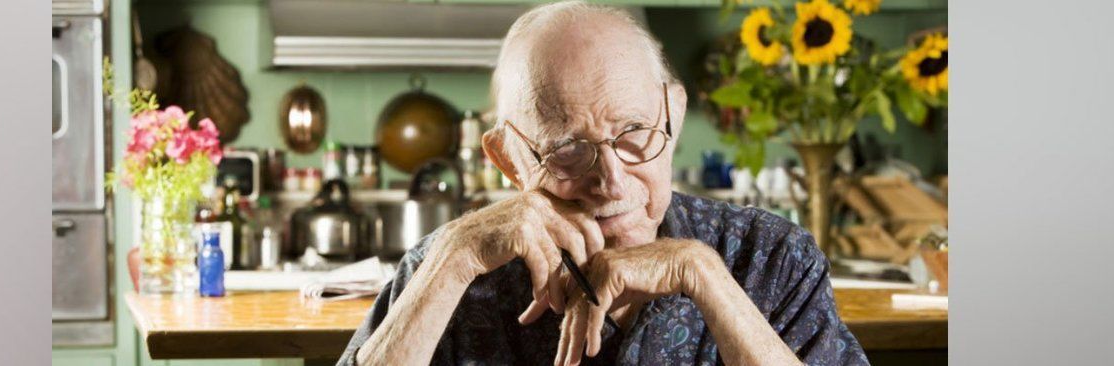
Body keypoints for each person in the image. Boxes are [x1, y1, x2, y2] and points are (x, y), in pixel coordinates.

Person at [340, 2, 867, 365]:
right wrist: (454, 258)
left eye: (635, 132)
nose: (612, 182)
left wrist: (702, 273)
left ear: (674, 114)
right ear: (509, 158)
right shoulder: (452, 267)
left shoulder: (772, 258)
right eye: (569, 151)